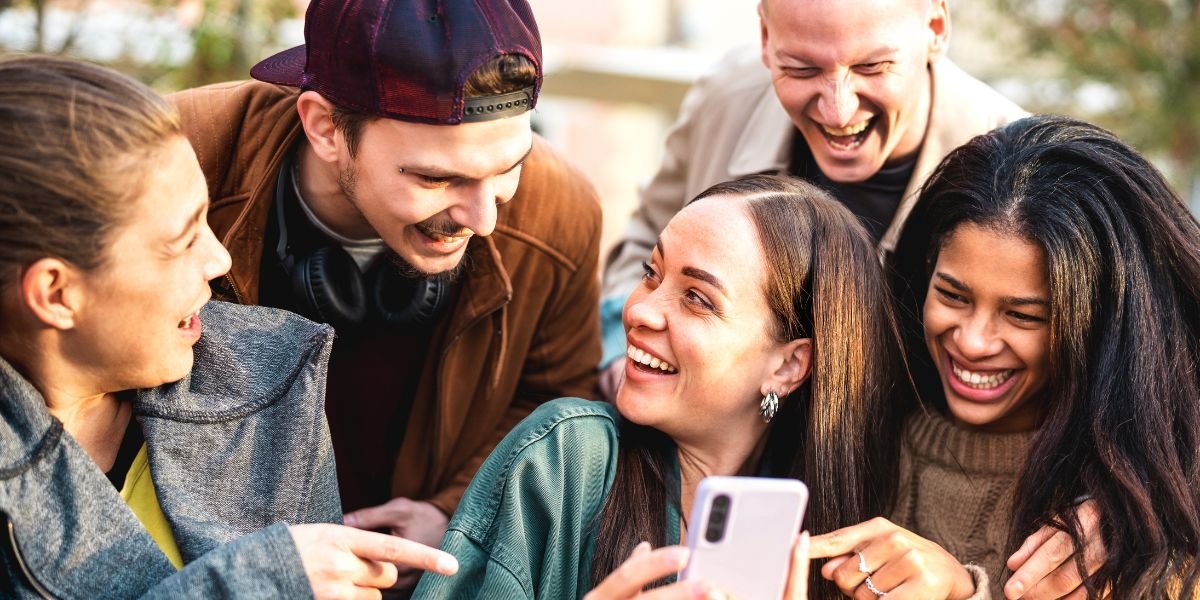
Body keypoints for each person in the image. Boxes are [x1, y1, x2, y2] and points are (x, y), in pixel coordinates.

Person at [167, 0, 603, 571]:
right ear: (324, 127)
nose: (484, 219)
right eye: (435, 177)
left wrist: (458, 512)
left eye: (508, 167)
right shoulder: (171, 164)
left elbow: (552, 405)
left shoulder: (560, 210)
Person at [0, 55, 458, 598]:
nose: (220, 261)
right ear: (57, 293)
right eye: (183, 240)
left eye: (208, 222)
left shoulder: (275, 377)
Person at [414, 174, 908, 599]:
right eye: (652, 273)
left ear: (788, 365)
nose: (639, 310)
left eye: (697, 299)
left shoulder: (846, 546)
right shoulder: (564, 459)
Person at [810, 115, 1200, 599]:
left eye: (1023, 316)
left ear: (1100, 328)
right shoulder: (846, 428)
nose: (973, 342)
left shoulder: (1142, 523)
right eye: (953, 296)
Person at [598, 0, 1026, 397]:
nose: (838, 111)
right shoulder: (725, 95)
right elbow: (645, 240)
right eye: (801, 69)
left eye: (873, 66)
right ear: (765, 38)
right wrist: (624, 353)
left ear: (935, 28)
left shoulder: (1025, 170)